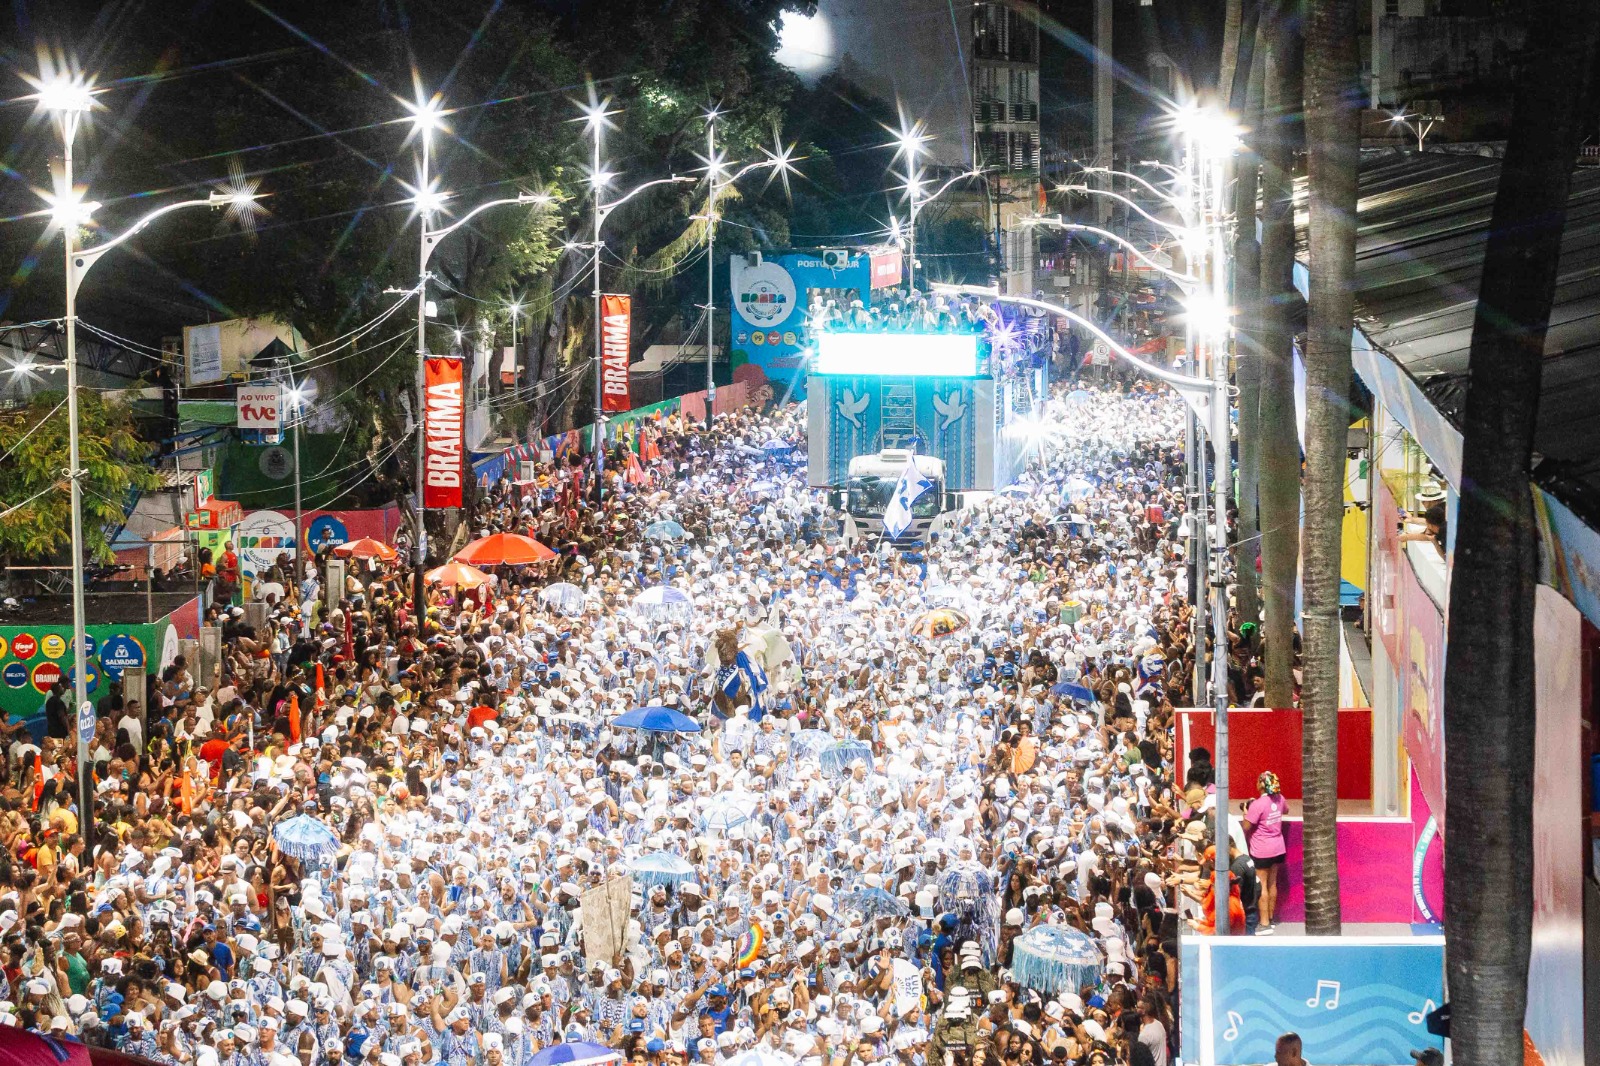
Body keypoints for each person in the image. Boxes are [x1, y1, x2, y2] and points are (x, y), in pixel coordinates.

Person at [1243, 771, 1288, 934]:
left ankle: (1264, 924)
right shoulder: (1280, 799)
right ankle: (1270, 918)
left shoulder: (1257, 805)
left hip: (1262, 850)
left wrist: (1246, 812)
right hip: (1278, 848)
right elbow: (1286, 810)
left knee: (1262, 885)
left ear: (1261, 785)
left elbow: (1246, 827)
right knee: (1272, 883)